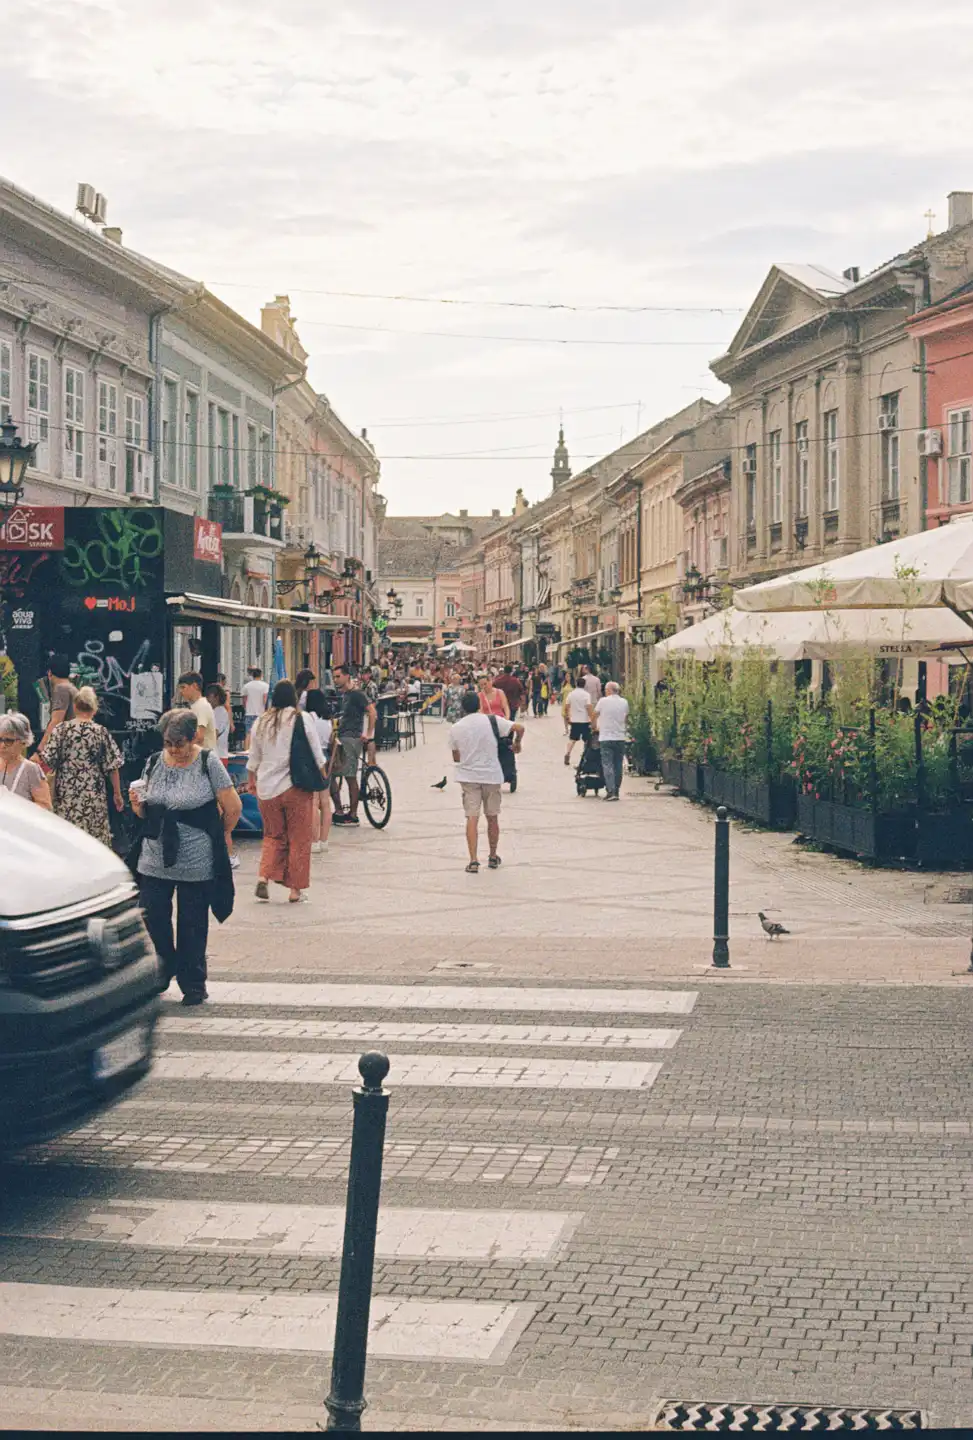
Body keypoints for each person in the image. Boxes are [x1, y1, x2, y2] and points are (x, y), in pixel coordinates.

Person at [130, 709, 241, 1006]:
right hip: (155, 857)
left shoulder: (207, 762)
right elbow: (145, 811)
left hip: (195, 858)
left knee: (192, 923)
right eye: (169, 743)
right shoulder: (154, 762)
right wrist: (137, 806)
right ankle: (164, 967)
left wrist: (219, 835)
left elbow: (233, 807)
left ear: (194, 738)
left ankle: (192, 982)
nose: (174, 750)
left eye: (179, 744)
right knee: (152, 915)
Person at [247, 680, 329, 901]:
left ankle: (263, 877)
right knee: (299, 838)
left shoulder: (261, 722)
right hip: (296, 787)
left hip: (267, 790)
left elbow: (253, 756)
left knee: (272, 836)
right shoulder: (301, 718)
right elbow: (315, 749)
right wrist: (323, 774)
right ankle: (295, 890)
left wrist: (251, 780)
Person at [449, 689, 524, 873]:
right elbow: (519, 728)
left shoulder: (456, 728)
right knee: (492, 817)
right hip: (491, 775)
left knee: (472, 818)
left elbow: (456, 757)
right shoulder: (492, 721)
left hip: (468, 777)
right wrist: (517, 743)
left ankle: (473, 860)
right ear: (480, 705)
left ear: (463, 708)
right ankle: (492, 855)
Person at [40, 686, 124, 846]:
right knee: (93, 841)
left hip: (66, 795)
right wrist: (117, 794)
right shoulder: (100, 732)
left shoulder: (61, 730)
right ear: (94, 709)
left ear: (75, 706)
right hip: (93, 796)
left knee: (67, 839)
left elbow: (48, 760)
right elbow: (113, 766)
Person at [331, 665, 377, 826]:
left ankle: (353, 814)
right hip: (340, 738)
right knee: (331, 775)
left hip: (351, 739)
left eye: (338, 676)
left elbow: (372, 712)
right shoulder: (343, 695)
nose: (335, 680)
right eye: (334, 677)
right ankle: (339, 810)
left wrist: (368, 733)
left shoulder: (357, 694)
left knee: (350, 776)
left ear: (347, 676)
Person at [304, 688, 334, 853]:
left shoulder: (310, 718)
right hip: (327, 758)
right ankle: (324, 840)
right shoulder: (327, 720)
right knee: (325, 803)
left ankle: (314, 841)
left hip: (314, 758)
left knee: (313, 803)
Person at [0, 712, 52, 807]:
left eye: (9, 741)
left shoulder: (31, 769)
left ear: (23, 742)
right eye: (0, 740)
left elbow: (46, 806)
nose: (3, 745)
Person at [594, 681, 630, 801]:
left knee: (607, 764)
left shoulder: (603, 701)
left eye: (605, 689)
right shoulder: (624, 702)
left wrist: (593, 726)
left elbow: (595, 714)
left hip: (606, 737)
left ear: (609, 690)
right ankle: (617, 790)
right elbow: (626, 718)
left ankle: (611, 791)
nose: (604, 691)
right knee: (618, 764)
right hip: (620, 737)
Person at [40, 653, 78, 750]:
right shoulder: (71, 687)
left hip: (68, 746)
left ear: (49, 673)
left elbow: (56, 721)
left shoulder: (61, 689)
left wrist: (40, 750)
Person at [177, 671, 218, 752]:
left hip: (203, 758)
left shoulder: (201, 706)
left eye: (183, 687)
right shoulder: (196, 706)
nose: (180, 691)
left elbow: (199, 736)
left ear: (194, 686)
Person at [564, 677, 596, 767]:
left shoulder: (571, 694)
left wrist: (568, 716)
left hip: (574, 720)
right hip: (585, 720)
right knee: (587, 740)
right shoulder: (586, 695)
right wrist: (592, 718)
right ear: (584, 685)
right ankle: (585, 757)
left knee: (572, 739)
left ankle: (568, 753)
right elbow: (589, 707)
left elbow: (567, 706)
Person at [242, 666, 269, 740]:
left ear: (252, 675)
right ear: (261, 675)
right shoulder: (265, 686)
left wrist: (246, 708)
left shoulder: (246, 686)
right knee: (260, 735)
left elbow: (244, 701)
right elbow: (265, 700)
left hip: (249, 713)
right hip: (261, 713)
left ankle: (246, 750)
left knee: (248, 734)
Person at [206, 683, 231, 759]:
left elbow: (214, 733)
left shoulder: (219, 712)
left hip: (218, 756)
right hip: (218, 755)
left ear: (216, 697)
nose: (207, 700)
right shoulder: (217, 711)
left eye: (209, 697)